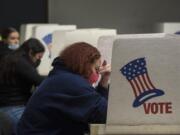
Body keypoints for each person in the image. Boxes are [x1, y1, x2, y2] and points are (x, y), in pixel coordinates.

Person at [17, 42, 110, 135]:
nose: (97, 73)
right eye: (96, 68)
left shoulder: (62, 75)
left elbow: (96, 108)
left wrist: (104, 81)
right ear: (85, 64)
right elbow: (103, 115)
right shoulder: (71, 82)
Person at [0, 38, 45, 135]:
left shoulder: (12, 58)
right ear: (30, 52)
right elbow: (39, 81)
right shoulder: (22, 62)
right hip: (14, 106)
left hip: (5, 105)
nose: (38, 61)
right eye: (38, 57)